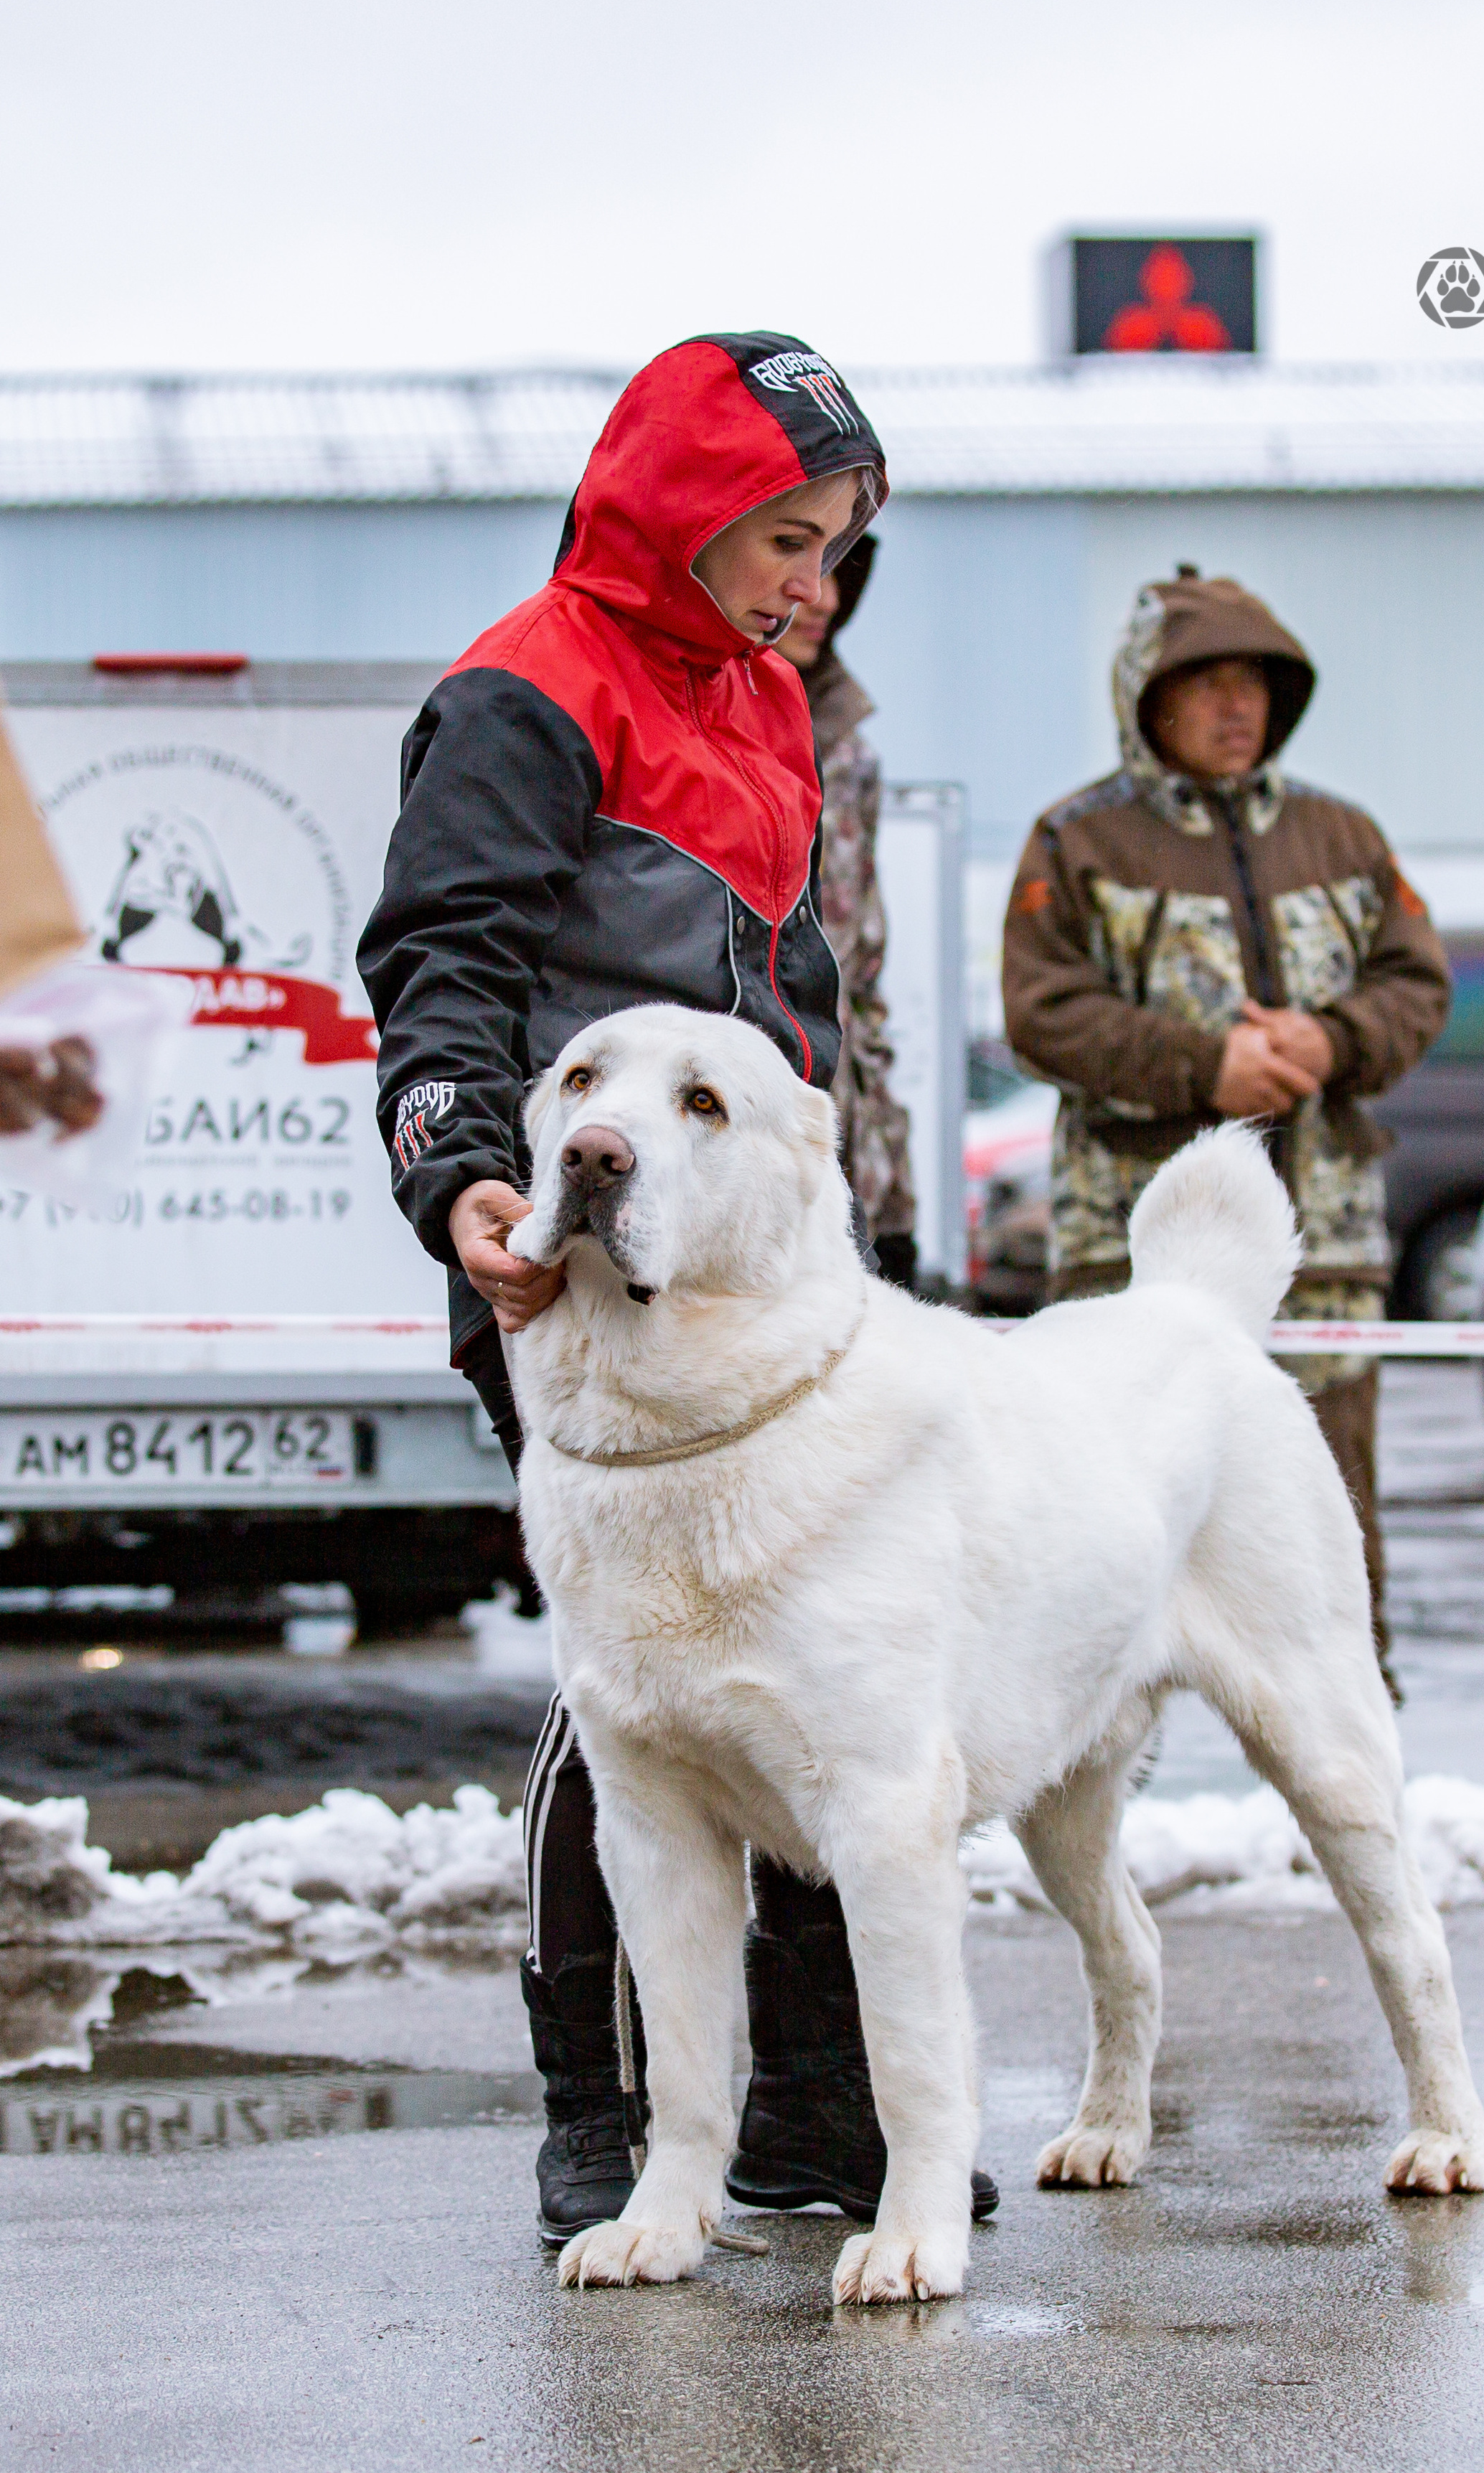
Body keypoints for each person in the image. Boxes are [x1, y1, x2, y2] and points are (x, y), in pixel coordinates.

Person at [357, 332, 993, 2246]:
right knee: (634, 1675)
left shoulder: (761, 699)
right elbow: (440, 962)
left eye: (841, 544)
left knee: (817, 1651)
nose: (817, 582)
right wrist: (463, 1170)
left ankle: (813, 2112)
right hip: (568, 1257)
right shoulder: (527, 689)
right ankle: (610, 2105)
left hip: (756, 1269)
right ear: (686, 505)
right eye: (790, 536)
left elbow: (776, 1008)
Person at [1001, 566, 1451, 1682]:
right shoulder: (1077, 841)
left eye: (1255, 680)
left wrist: (1330, 1042)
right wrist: (1208, 1066)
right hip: (1132, 1254)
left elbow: (1415, 980)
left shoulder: (1345, 836)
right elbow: (1041, 1009)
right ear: (1146, 700)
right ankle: (1086, 1745)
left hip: (1322, 1249)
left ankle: (1354, 1736)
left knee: (1332, 1503)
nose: (1235, 704)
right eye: (1205, 682)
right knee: (1110, 1504)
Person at [775, 532, 919, 1286]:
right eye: (806, 567)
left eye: (841, 576)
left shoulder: (850, 754)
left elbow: (860, 985)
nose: (825, 599)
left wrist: (886, 1185)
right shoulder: (688, 726)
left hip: (839, 1160)